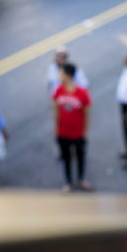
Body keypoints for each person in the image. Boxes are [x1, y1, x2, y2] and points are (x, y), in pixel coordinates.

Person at [53, 63, 92, 191]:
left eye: (61, 73)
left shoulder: (82, 93)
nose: (59, 75)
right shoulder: (58, 91)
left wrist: (84, 133)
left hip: (78, 134)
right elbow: (56, 112)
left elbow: (87, 114)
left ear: (68, 76)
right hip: (63, 134)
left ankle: (81, 179)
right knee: (66, 158)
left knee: (80, 157)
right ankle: (68, 182)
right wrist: (57, 130)